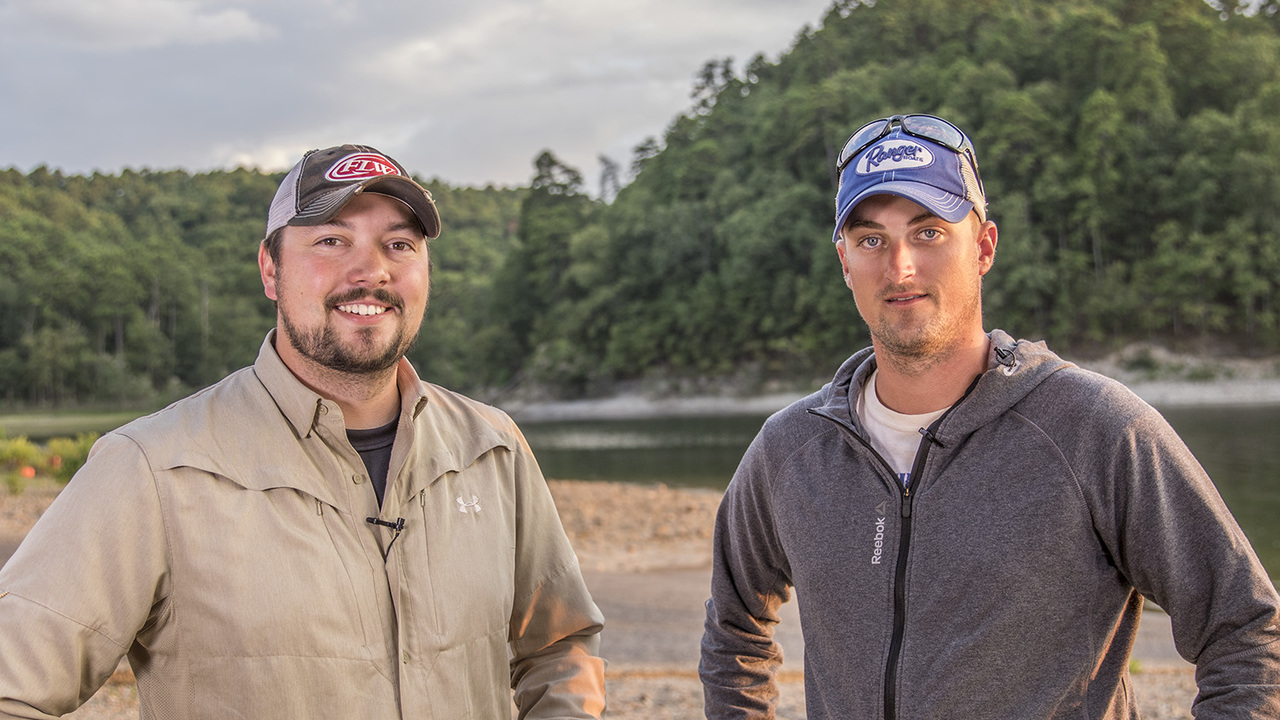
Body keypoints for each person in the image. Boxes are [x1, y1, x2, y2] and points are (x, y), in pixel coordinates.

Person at [699, 114, 1280, 718]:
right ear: (845, 261)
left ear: (983, 248)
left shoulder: (1094, 430)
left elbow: (1247, 630)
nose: (899, 267)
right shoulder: (789, 451)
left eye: (928, 233)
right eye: (871, 239)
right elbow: (734, 631)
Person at [0, 145, 607, 718]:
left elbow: (561, 646)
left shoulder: (492, 447)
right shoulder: (150, 468)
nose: (370, 270)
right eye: (330, 240)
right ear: (271, 268)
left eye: (399, 244)